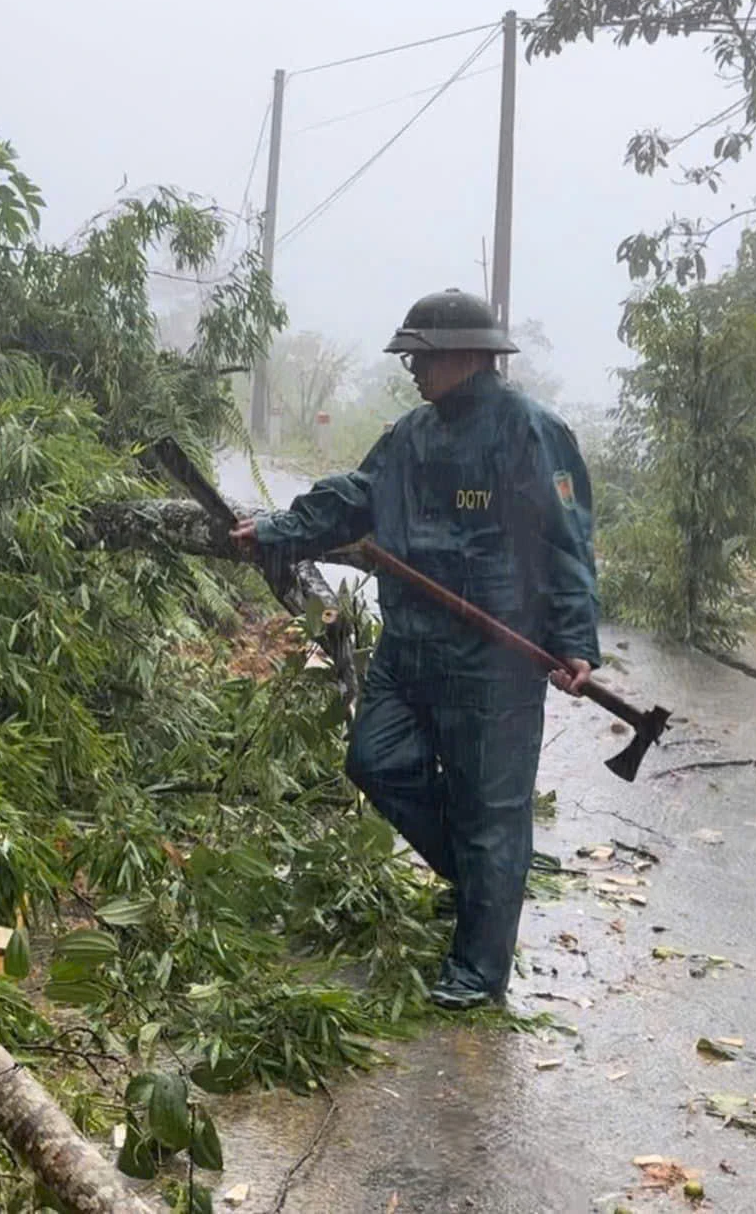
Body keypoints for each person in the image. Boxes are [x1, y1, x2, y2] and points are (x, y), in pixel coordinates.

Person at [232, 289, 600, 1010]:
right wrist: (279, 529)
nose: (412, 370)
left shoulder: (531, 431)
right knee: (374, 760)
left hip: (493, 659)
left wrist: (575, 638)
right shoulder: (411, 434)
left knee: (492, 809)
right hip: (411, 645)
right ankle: (480, 880)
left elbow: (568, 540)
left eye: (421, 358)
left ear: (466, 356)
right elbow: (356, 496)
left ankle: (478, 971)